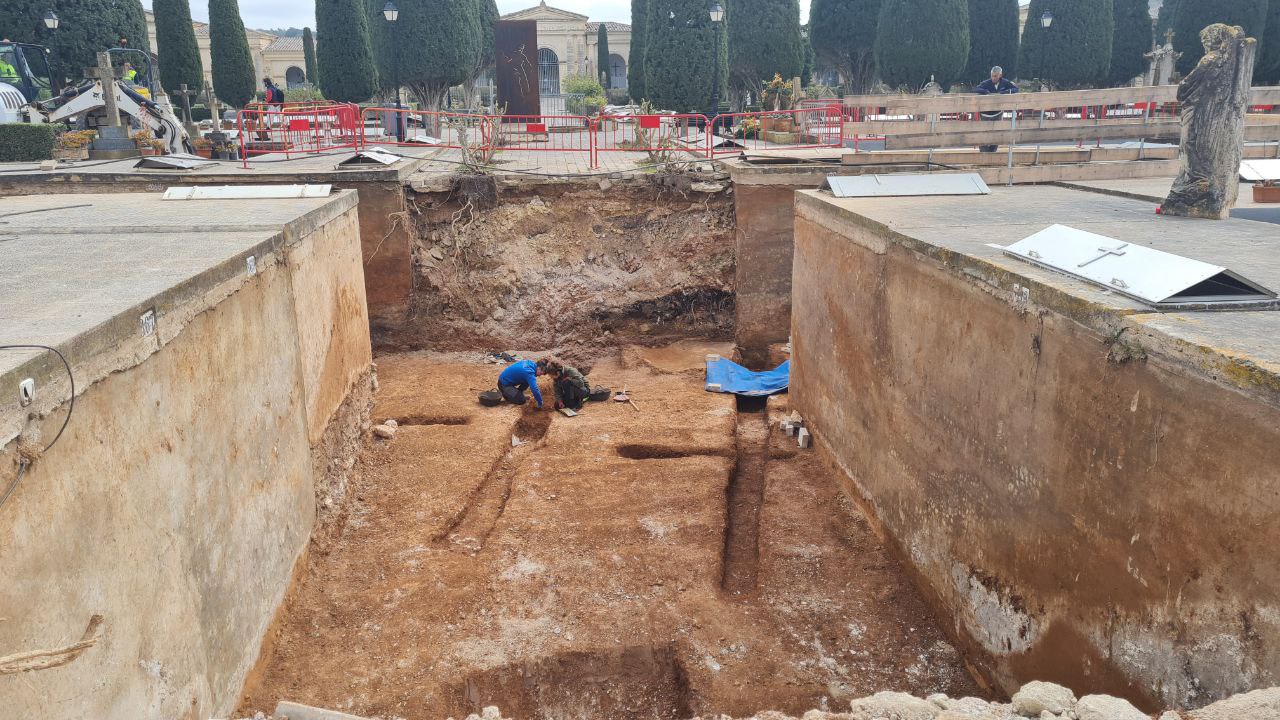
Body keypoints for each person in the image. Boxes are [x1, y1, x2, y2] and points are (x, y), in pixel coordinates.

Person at [973, 66, 1018, 153]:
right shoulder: (986, 83)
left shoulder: (1005, 82)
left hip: (998, 113)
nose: (993, 78)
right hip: (986, 114)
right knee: (984, 134)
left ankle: (993, 153)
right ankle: (984, 154)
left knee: (997, 134)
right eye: (992, 76)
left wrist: (1004, 93)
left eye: (995, 76)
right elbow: (975, 89)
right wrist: (984, 91)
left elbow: (1016, 89)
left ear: (1000, 75)